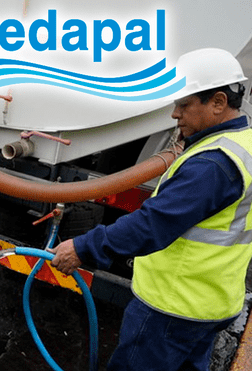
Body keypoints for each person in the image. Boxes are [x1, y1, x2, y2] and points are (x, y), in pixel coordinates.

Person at [47, 47, 252, 371]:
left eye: (184, 105)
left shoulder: (213, 166)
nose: (174, 114)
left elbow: (152, 224)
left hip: (172, 308)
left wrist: (84, 247)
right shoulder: (242, 141)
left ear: (217, 103)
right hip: (211, 302)